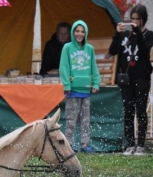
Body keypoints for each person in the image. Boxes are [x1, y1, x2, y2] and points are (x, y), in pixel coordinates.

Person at [109, 4, 153, 156]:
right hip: (126, 78)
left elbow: (144, 51)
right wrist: (117, 34)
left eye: (137, 19)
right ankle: (129, 144)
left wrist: (137, 33)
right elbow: (112, 51)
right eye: (132, 19)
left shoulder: (149, 35)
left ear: (143, 20)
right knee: (128, 111)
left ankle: (140, 144)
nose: (134, 22)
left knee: (140, 110)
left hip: (141, 77)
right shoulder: (124, 35)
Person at [59, 20, 101, 153]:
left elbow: (94, 67)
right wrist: (66, 83)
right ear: (73, 32)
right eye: (77, 31)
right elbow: (64, 67)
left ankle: (84, 144)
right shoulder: (67, 47)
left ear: (86, 33)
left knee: (85, 120)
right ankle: (69, 144)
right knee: (71, 119)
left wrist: (96, 82)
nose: (80, 34)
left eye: (82, 31)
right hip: (72, 91)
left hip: (86, 90)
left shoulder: (90, 49)